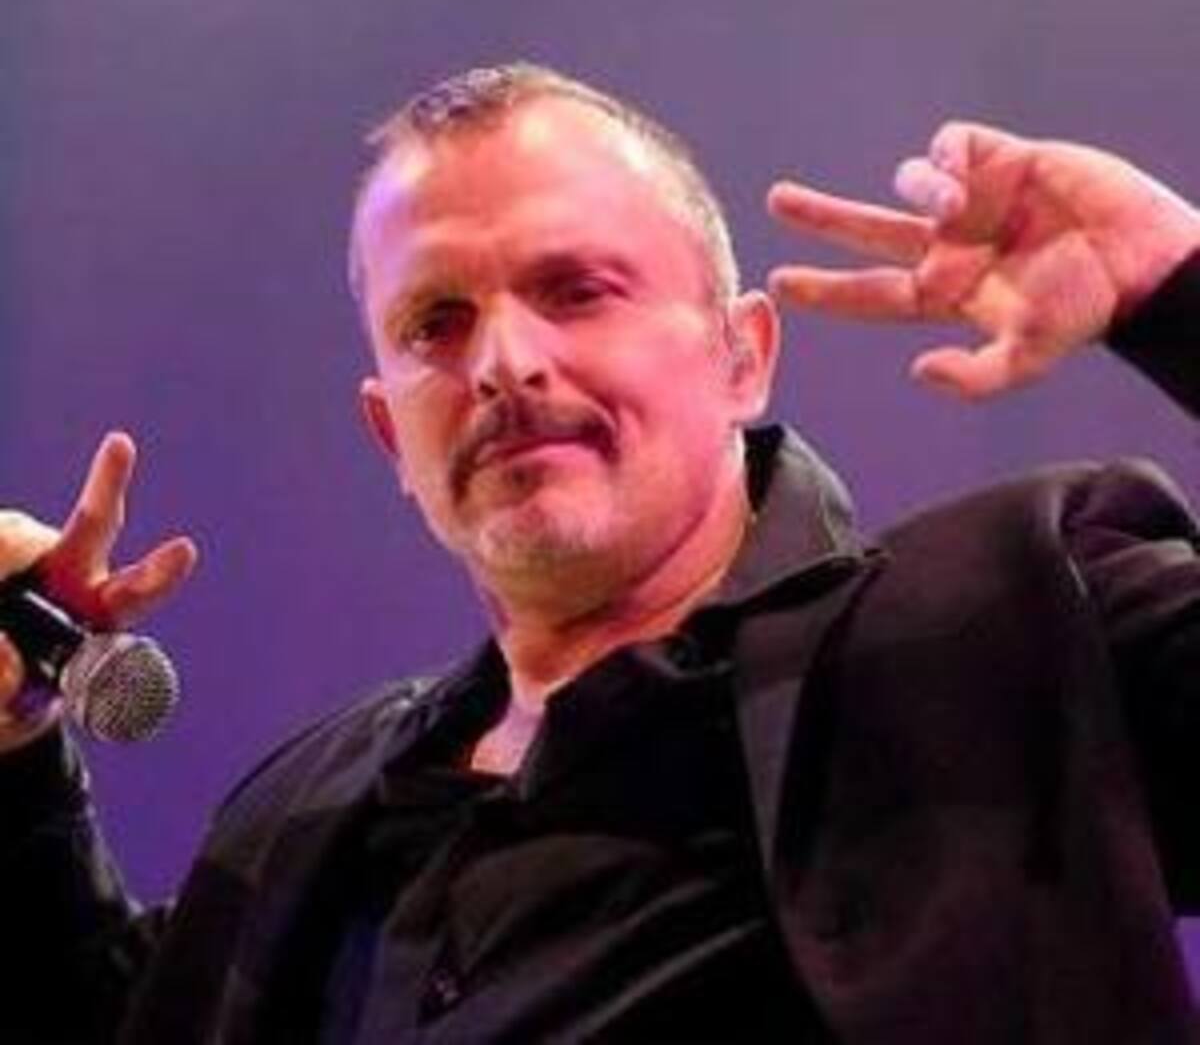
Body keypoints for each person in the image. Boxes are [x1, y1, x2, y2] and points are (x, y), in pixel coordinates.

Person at [1, 63, 1198, 1044]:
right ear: (390, 435)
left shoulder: (1007, 629)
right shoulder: (309, 813)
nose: (505, 364)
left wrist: (1176, 288)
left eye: (575, 290)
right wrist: (16, 746)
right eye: (437, 323)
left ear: (743, 356)